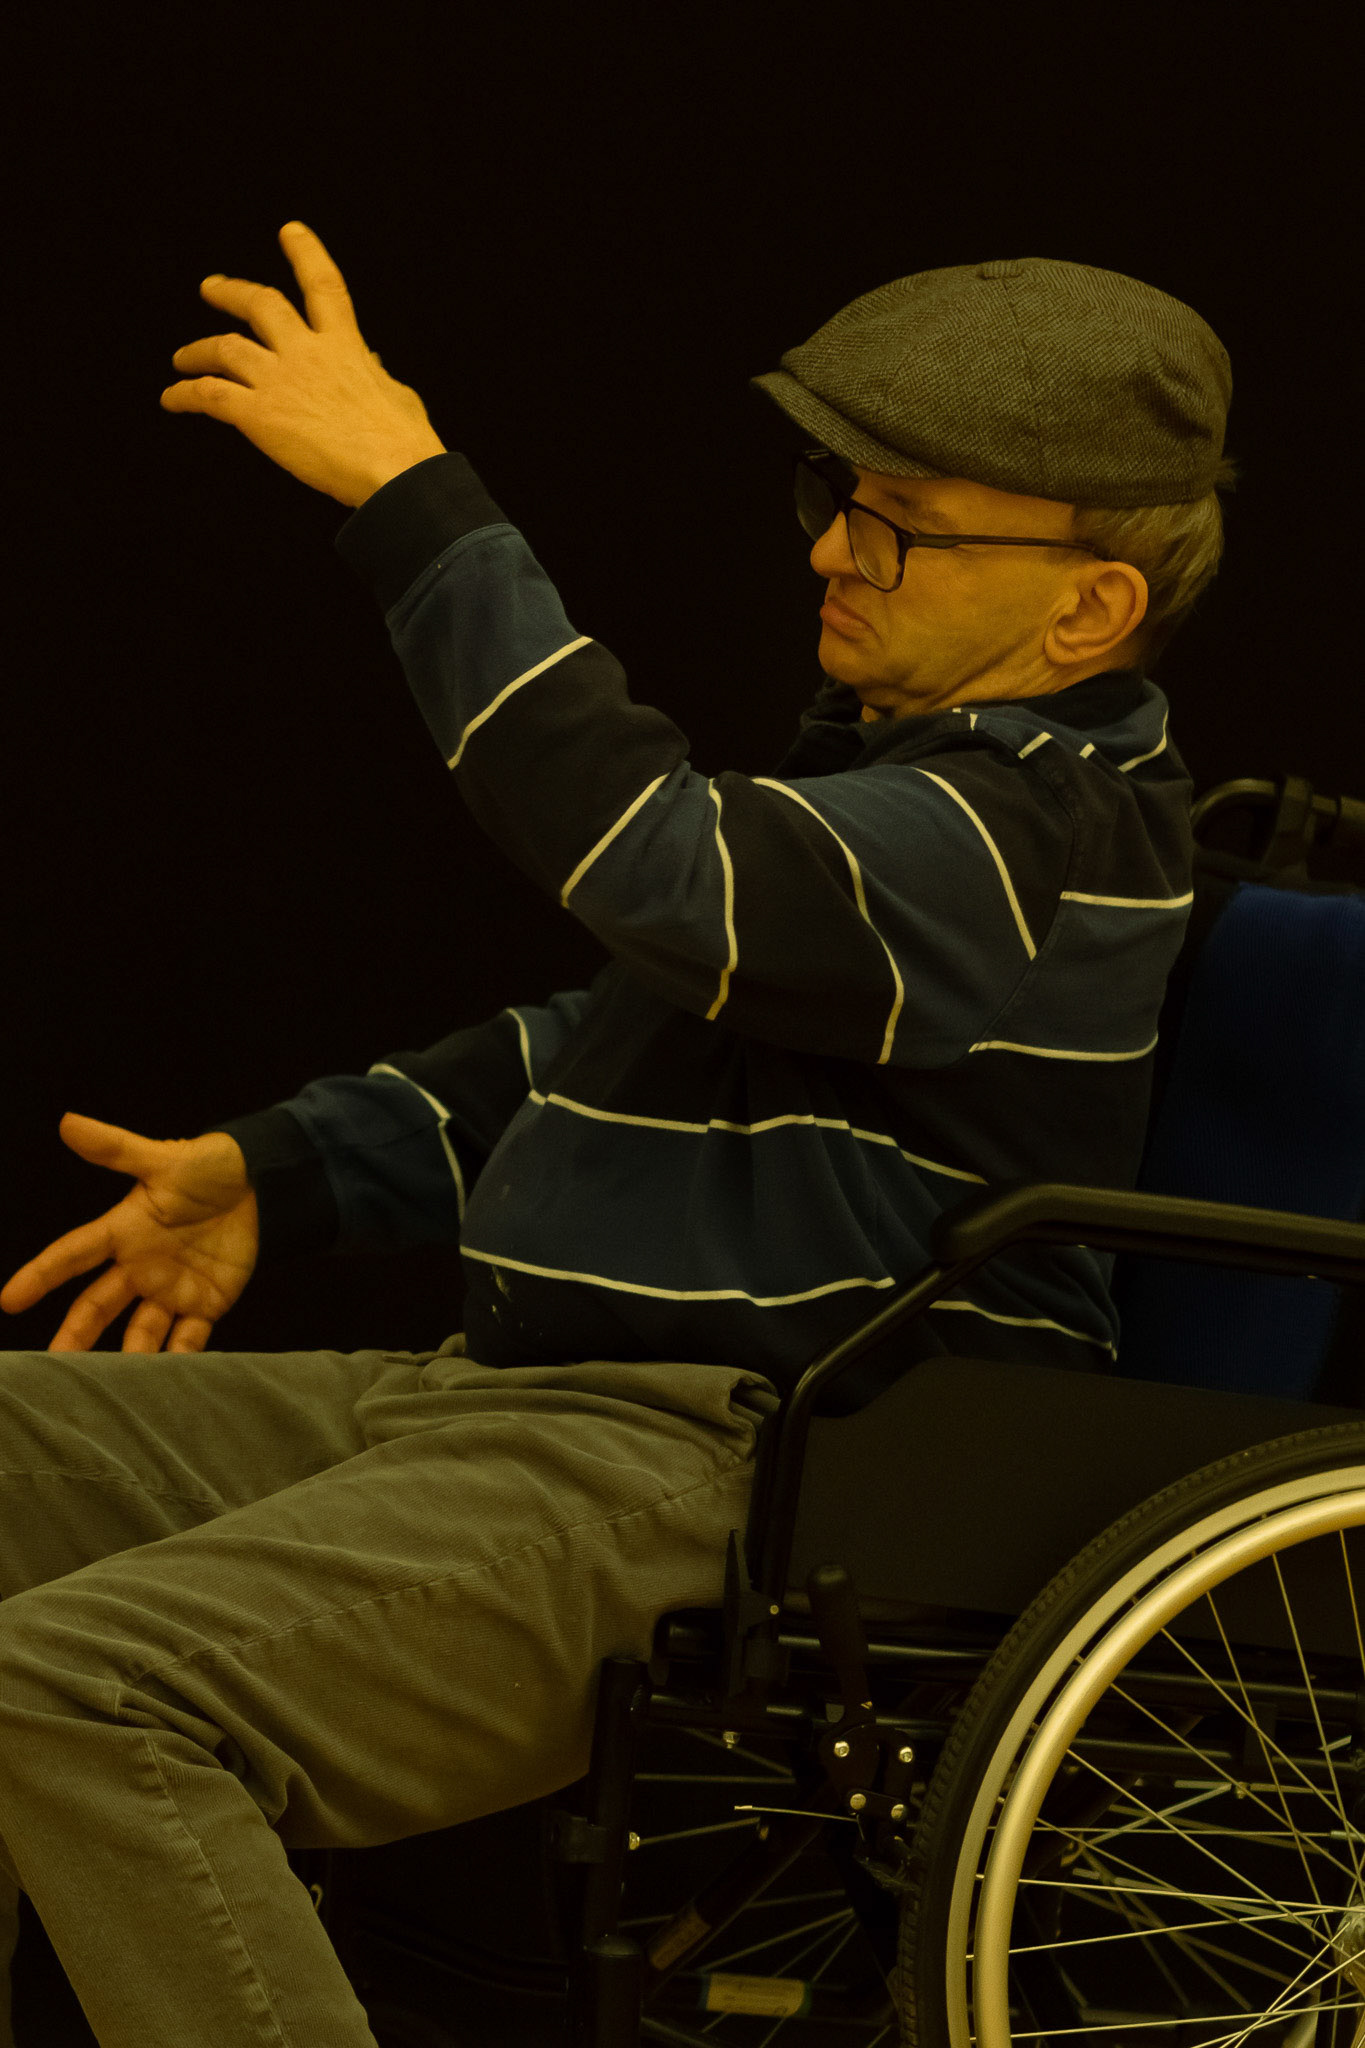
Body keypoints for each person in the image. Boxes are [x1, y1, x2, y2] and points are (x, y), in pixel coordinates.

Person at [0, 229, 1234, 2045]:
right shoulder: (886, 799)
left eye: (899, 525)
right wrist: (285, 1170)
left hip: (734, 1457)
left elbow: (653, 861)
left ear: (1087, 612)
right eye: (836, 500)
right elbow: (597, 1043)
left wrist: (413, 500)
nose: (829, 551)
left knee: (72, 1691)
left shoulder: (1033, 835)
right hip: (504, 1401)